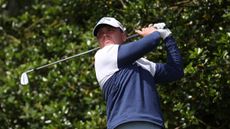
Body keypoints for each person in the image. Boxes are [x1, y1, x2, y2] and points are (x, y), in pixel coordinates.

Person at [93, 17, 184, 129]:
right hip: (124, 124)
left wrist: (167, 37)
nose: (104, 35)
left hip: (153, 124)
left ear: (123, 36)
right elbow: (152, 41)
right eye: (100, 34)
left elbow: (176, 71)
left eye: (110, 30)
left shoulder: (144, 64)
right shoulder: (103, 55)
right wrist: (153, 32)